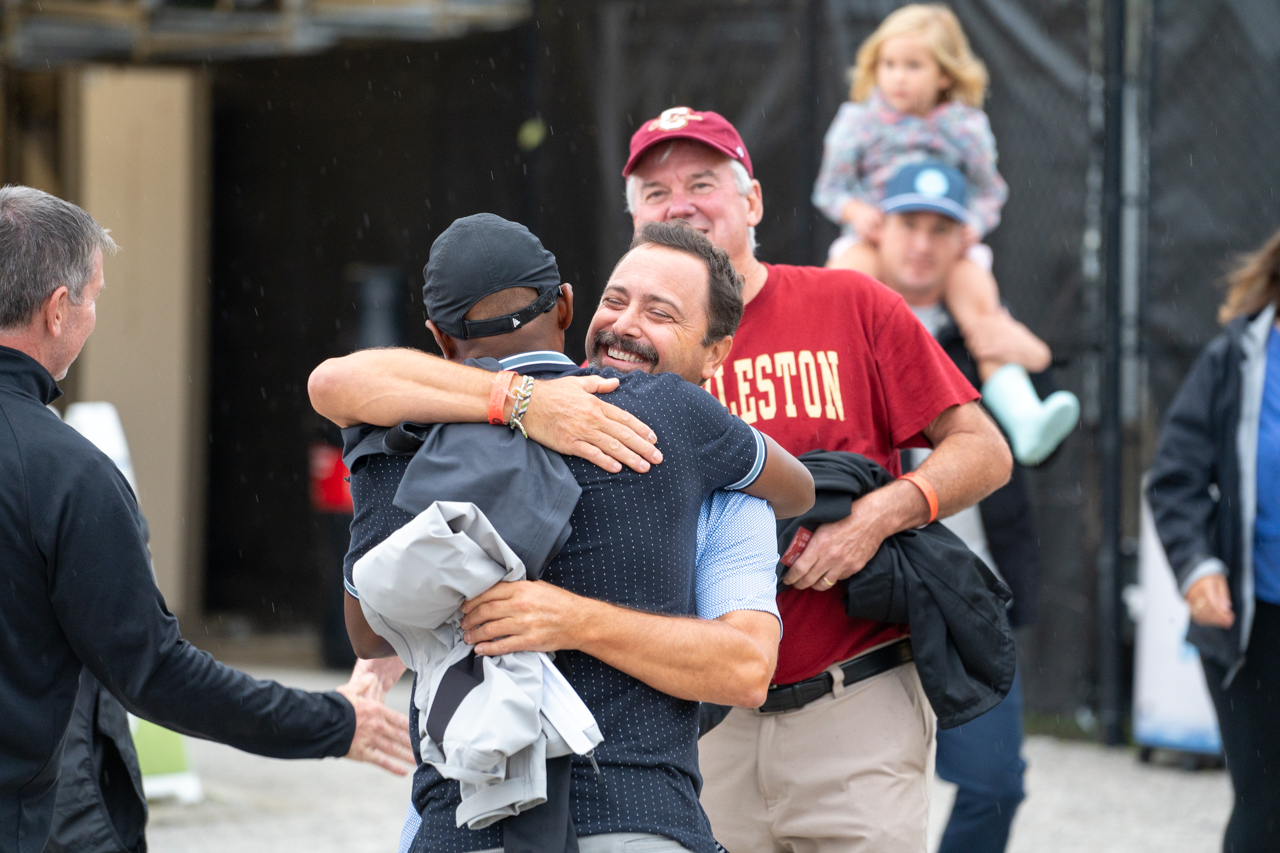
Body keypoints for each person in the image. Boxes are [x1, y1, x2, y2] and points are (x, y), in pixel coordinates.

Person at [310, 215, 812, 853]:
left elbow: (367, 628)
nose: (628, 325)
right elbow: (796, 484)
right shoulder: (670, 415)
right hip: (632, 809)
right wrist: (524, 405)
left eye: (661, 312)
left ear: (437, 337)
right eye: (618, 301)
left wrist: (567, 617)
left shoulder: (396, 434)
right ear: (572, 307)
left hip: (460, 822)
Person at [620, 106, 1012, 852]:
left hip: (854, 705)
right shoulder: (626, 347)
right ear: (636, 219)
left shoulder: (850, 305)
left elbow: (983, 449)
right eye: (655, 191)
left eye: (702, 182)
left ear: (753, 201)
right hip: (703, 721)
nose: (680, 205)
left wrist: (881, 514)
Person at [0, 186, 414, 853]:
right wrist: (332, 721)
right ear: (56, 311)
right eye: (95, 297)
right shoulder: (67, 473)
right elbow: (156, 673)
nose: (94, 314)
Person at [872, 162, 1060, 852]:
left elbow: (1044, 446)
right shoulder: (847, 322)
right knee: (863, 796)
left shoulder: (986, 337)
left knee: (994, 784)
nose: (922, 243)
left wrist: (1037, 361)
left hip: (970, 591)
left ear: (963, 242)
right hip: (866, 590)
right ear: (879, 229)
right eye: (909, 224)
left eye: (939, 228)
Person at [810, 3, 1078, 466]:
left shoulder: (966, 126)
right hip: (871, 233)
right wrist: (859, 211)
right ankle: (836, 404)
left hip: (959, 241)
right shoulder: (858, 121)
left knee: (981, 304)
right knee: (846, 288)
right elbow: (830, 187)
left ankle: (1022, 414)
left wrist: (971, 226)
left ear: (945, 76)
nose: (898, 78)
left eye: (913, 66)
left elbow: (989, 190)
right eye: (888, 64)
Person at [1148, 226, 1280, 853]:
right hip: (1256, 631)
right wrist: (1198, 565)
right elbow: (1174, 480)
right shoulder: (1234, 360)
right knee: (1267, 804)